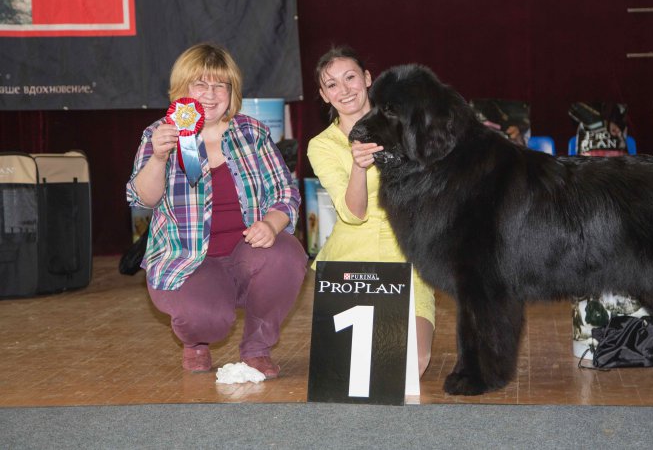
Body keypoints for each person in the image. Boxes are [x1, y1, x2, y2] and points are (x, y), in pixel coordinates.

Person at [126, 43, 307, 377]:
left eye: (219, 85)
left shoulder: (251, 133)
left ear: (231, 92)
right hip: (186, 259)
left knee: (287, 254)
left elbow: (285, 192)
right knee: (206, 319)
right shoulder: (159, 134)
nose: (210, 94)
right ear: (182, 90)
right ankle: (197, 340)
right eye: (200, 84)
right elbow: (143, 200)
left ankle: (257, 348)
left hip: (246, 254)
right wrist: (158, 157)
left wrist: (271, 222)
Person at [306, 46, 436, 377]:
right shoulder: (321, 145)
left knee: (412, 365)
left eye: (350, 77)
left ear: (367, 78)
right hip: (351, 259)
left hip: (407, 251)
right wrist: (359, 169)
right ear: (324, 95)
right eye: (332, 84)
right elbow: (353, 214)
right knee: (357, 371)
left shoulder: (405, 123)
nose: (344, 89)